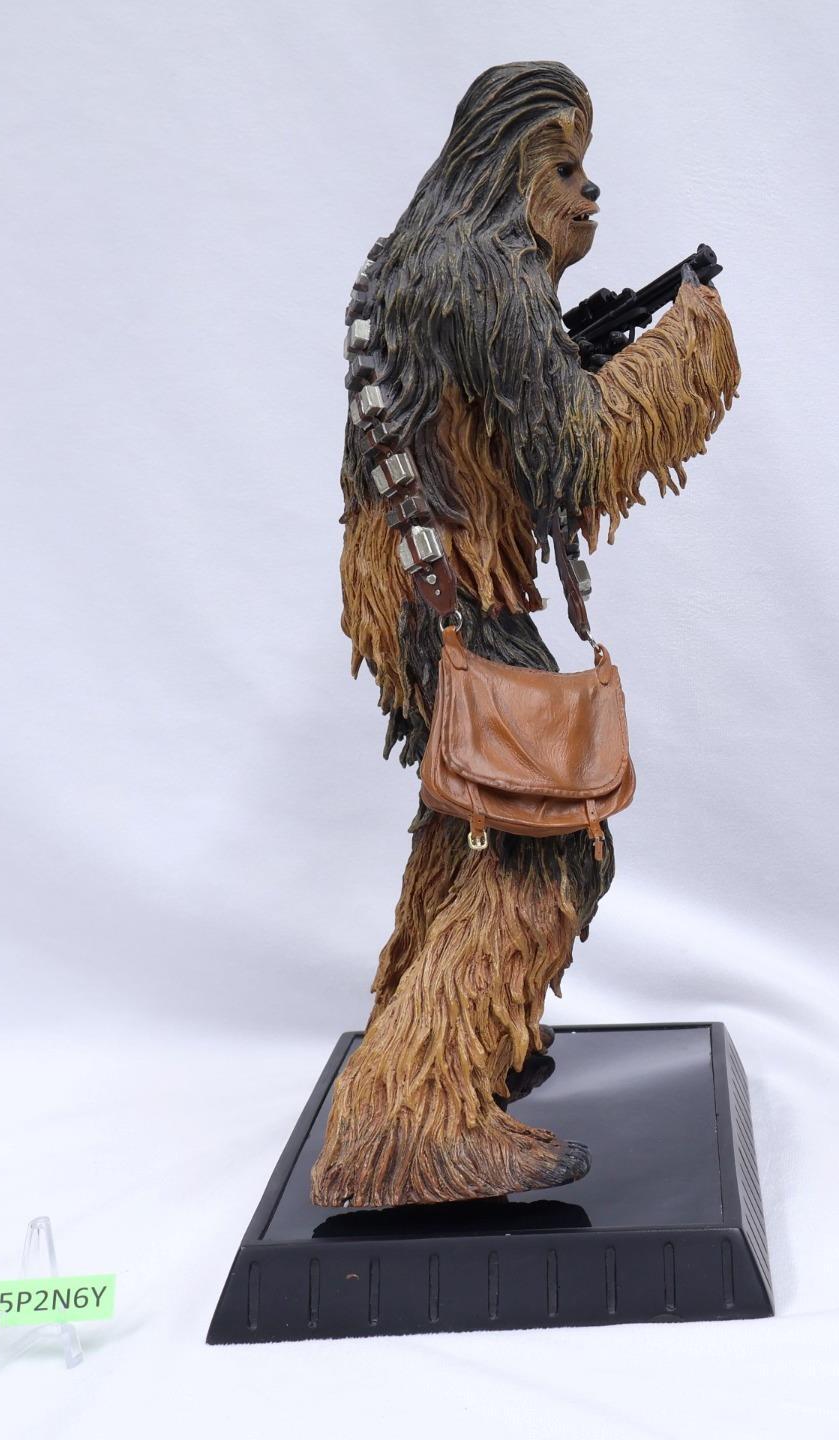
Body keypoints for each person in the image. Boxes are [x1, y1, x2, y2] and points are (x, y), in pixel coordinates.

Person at [311, 61, 740, 1208]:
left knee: (474, 826)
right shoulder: (484, 273)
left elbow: (496, 428)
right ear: (503, 168)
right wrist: (684, 350)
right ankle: (410, 1129)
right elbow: (576, 461)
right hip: (445, 589)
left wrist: (577, 350)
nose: (587, 194)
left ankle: (437, 1048)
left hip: (412, 576)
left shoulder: (418, 260)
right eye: (563, 168)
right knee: (554, 847)